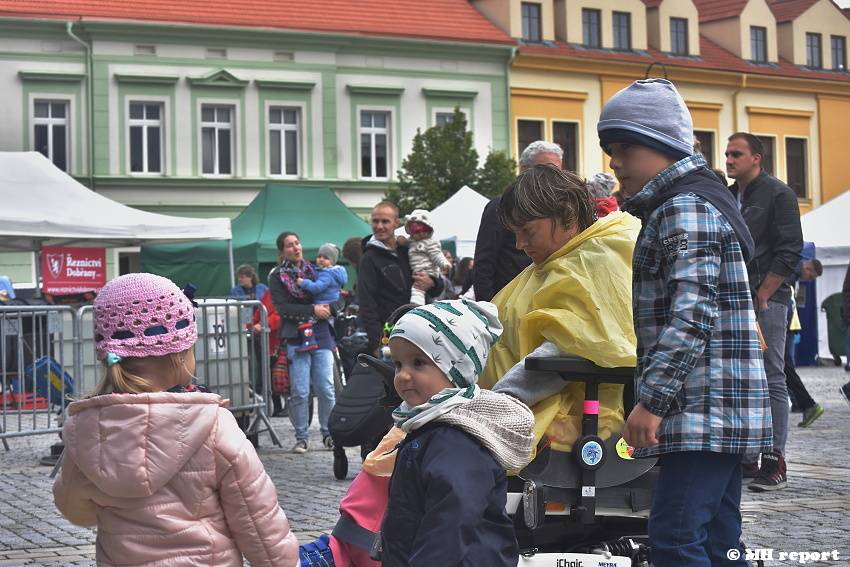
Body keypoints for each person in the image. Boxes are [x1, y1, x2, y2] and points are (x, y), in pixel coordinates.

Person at [599, 78, 771, 566]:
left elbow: (692, 314)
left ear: (661, 145)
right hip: (716, 407)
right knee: (719, 542)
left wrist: (651, 402)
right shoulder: (697, 200)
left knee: (675, 539)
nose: (614, 162)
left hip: (703, 408)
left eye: (624, 148)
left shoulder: (685, 208)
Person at [53, 273, 299, 566]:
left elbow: (74, 509)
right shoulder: (213, 425)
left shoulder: (88, 429)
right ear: (181, 355)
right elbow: (259, 523)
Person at [481, 165, 640, 455]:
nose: (519, 245)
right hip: (527, 407)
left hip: (572, 423)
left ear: (566, 214)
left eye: (527, 231)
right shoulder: (564, 258)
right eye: (514, 234)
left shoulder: (597, 260)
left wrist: (494, 406)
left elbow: (570, 344)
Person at [381, 300, 534, 566]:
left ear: (457, 369)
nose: (403, 376)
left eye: (418, 363)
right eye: (398, 364)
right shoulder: (427, 426)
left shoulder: (456, 439)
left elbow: (450, 522)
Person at [726, 131, 803, 491]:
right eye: (727, 154)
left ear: (757, 157)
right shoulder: (729, 195)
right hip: (735, 297)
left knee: (772, 377)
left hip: (768, 299)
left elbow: (790, 249)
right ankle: (746, 456)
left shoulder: (779, 193)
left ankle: (774, 459)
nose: (729, 159)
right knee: (740, 377)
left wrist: (764, 294)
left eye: (736, 154)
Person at [268, 231, 337, 454]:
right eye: (289, 245)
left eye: (297, 243)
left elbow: (335, 294)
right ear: (282, 251)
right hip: (296, 335)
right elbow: (283, 308)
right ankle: (302, 437)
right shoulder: (277, 276)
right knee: (299, 391)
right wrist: (312, 309)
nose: (295, 248)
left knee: (326, 388)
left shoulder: (315, 269)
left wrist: (332, 308)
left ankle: (329, 434)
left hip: (321, 333)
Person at [472, 140, 562, 301]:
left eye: (557, 172)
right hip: (505, 305)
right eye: (545, 169)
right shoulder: (499, 207)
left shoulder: (559, 210)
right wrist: (488, 310)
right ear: (524, 169)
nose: (552, 178)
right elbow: (484, 264)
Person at [357, 201, 440, 357]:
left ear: (396, 223)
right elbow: (367, 303)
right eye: (375, 221)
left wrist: (433, 283)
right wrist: (378, 343)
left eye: (385, 221)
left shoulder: (410, 249)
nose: (379, 226)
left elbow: (438, 283)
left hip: (422, 328)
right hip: (391, 331)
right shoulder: (369, 258)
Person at [785, 259, 824, 427]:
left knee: (785, 367)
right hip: (785, 326)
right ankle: (805, 403)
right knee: (785, 367)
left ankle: (806, 403)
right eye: (810, 276)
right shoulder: (792, 272)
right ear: (808, 267)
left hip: (784, 327)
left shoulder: (791, 273)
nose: (808, 280)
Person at [295, 243, 348, 351]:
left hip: (323, 304)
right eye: (319, 257)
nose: (321, 259)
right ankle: (331, 344)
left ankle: (309, 341)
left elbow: (317, 288)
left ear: (332, 261)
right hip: (331, 304)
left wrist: (303, 282)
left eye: (326, 258)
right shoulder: (334, 272)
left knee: (307, 320)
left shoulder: (327, 274)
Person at [402, 209, 450, 305]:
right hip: (418, 271)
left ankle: (416, 306)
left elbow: (437, 254)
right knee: (417, 289)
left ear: (428, 231)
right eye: (415, 231)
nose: (419, 234)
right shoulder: (411, 243)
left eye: (422, 231)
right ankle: (416, 305)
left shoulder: (430, 243)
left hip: (427, 271)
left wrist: (444, 264)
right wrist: (400, 240)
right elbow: (406, 242)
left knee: (418, 288)